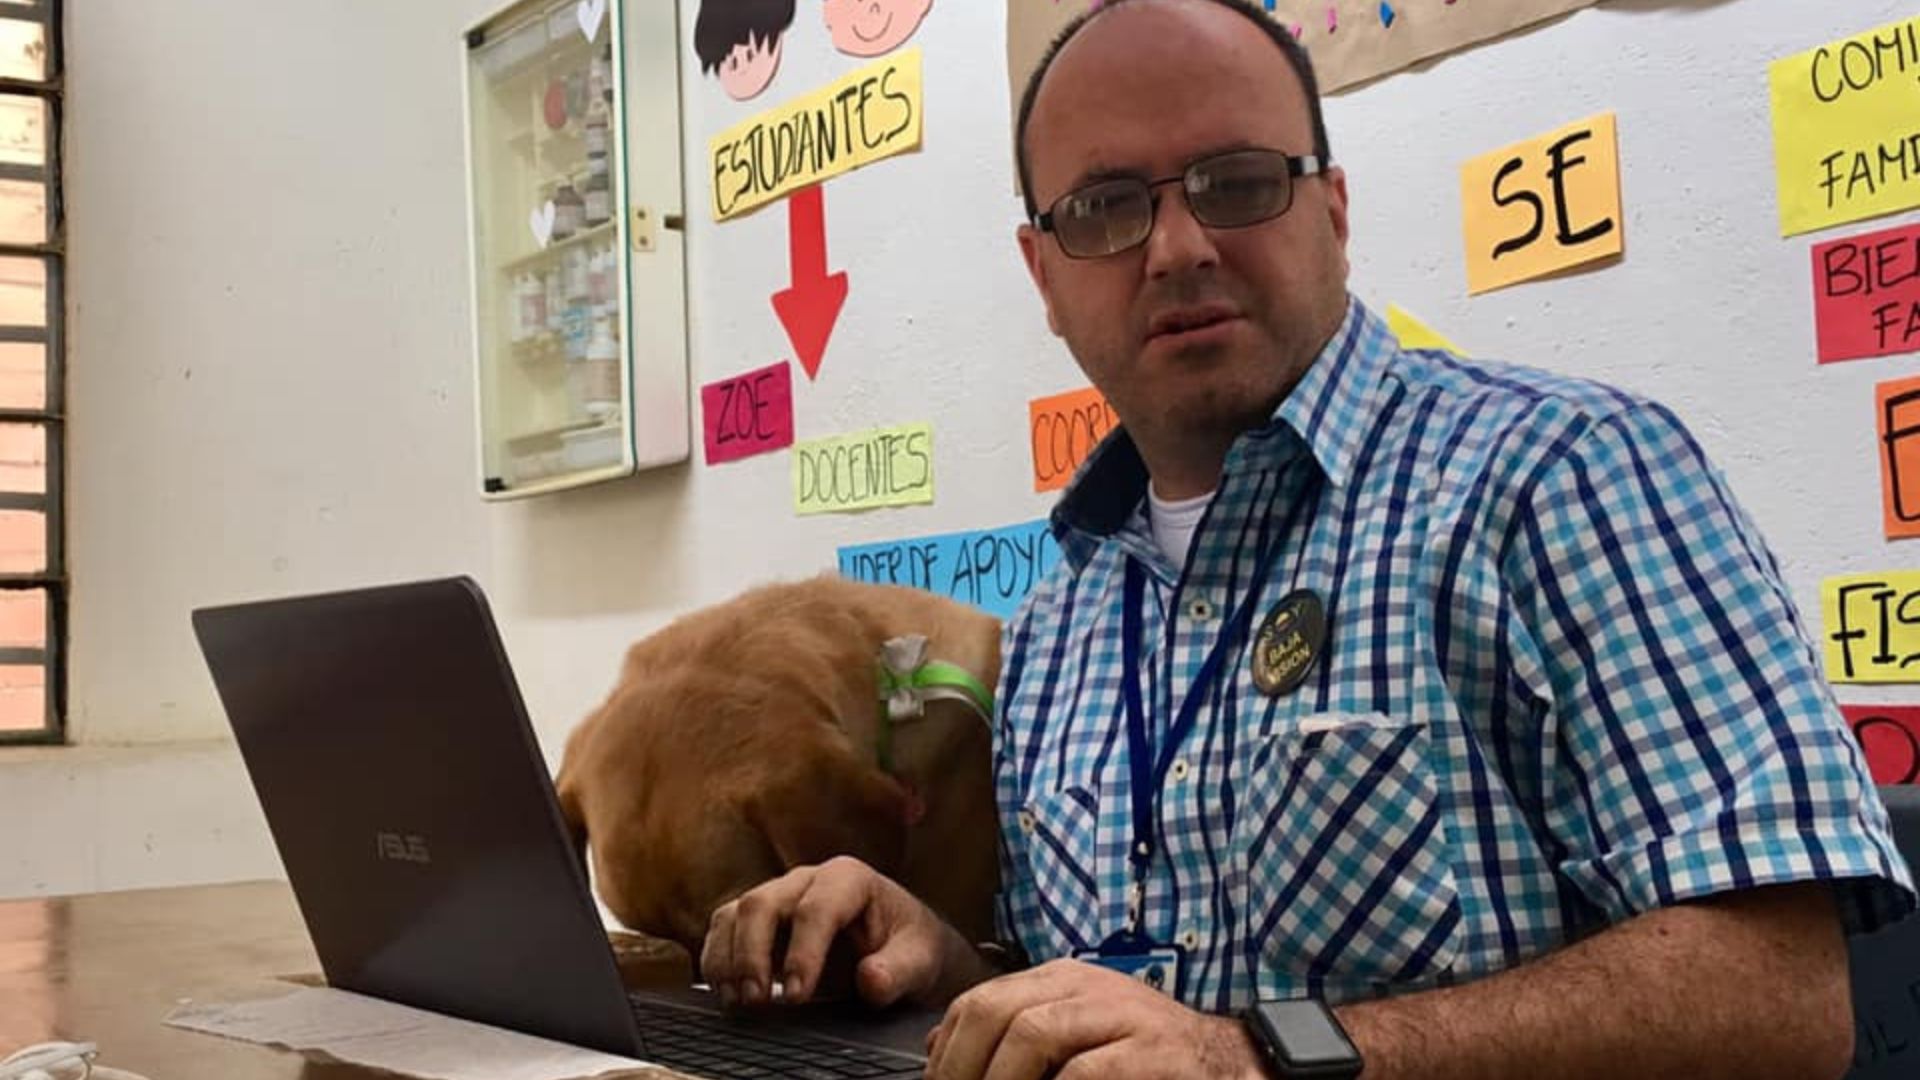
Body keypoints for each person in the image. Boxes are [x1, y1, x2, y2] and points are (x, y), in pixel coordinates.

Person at [700, 1, 1916, 1076]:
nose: (1177, 248)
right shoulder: (1064, 614)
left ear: (1333, 210)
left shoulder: (1566, 475)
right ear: (1045, 273)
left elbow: (1778, 1000)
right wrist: (938, 959)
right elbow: (1121, 995)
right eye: (1106, 209)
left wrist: (1261, 1060)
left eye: (1236, 182)